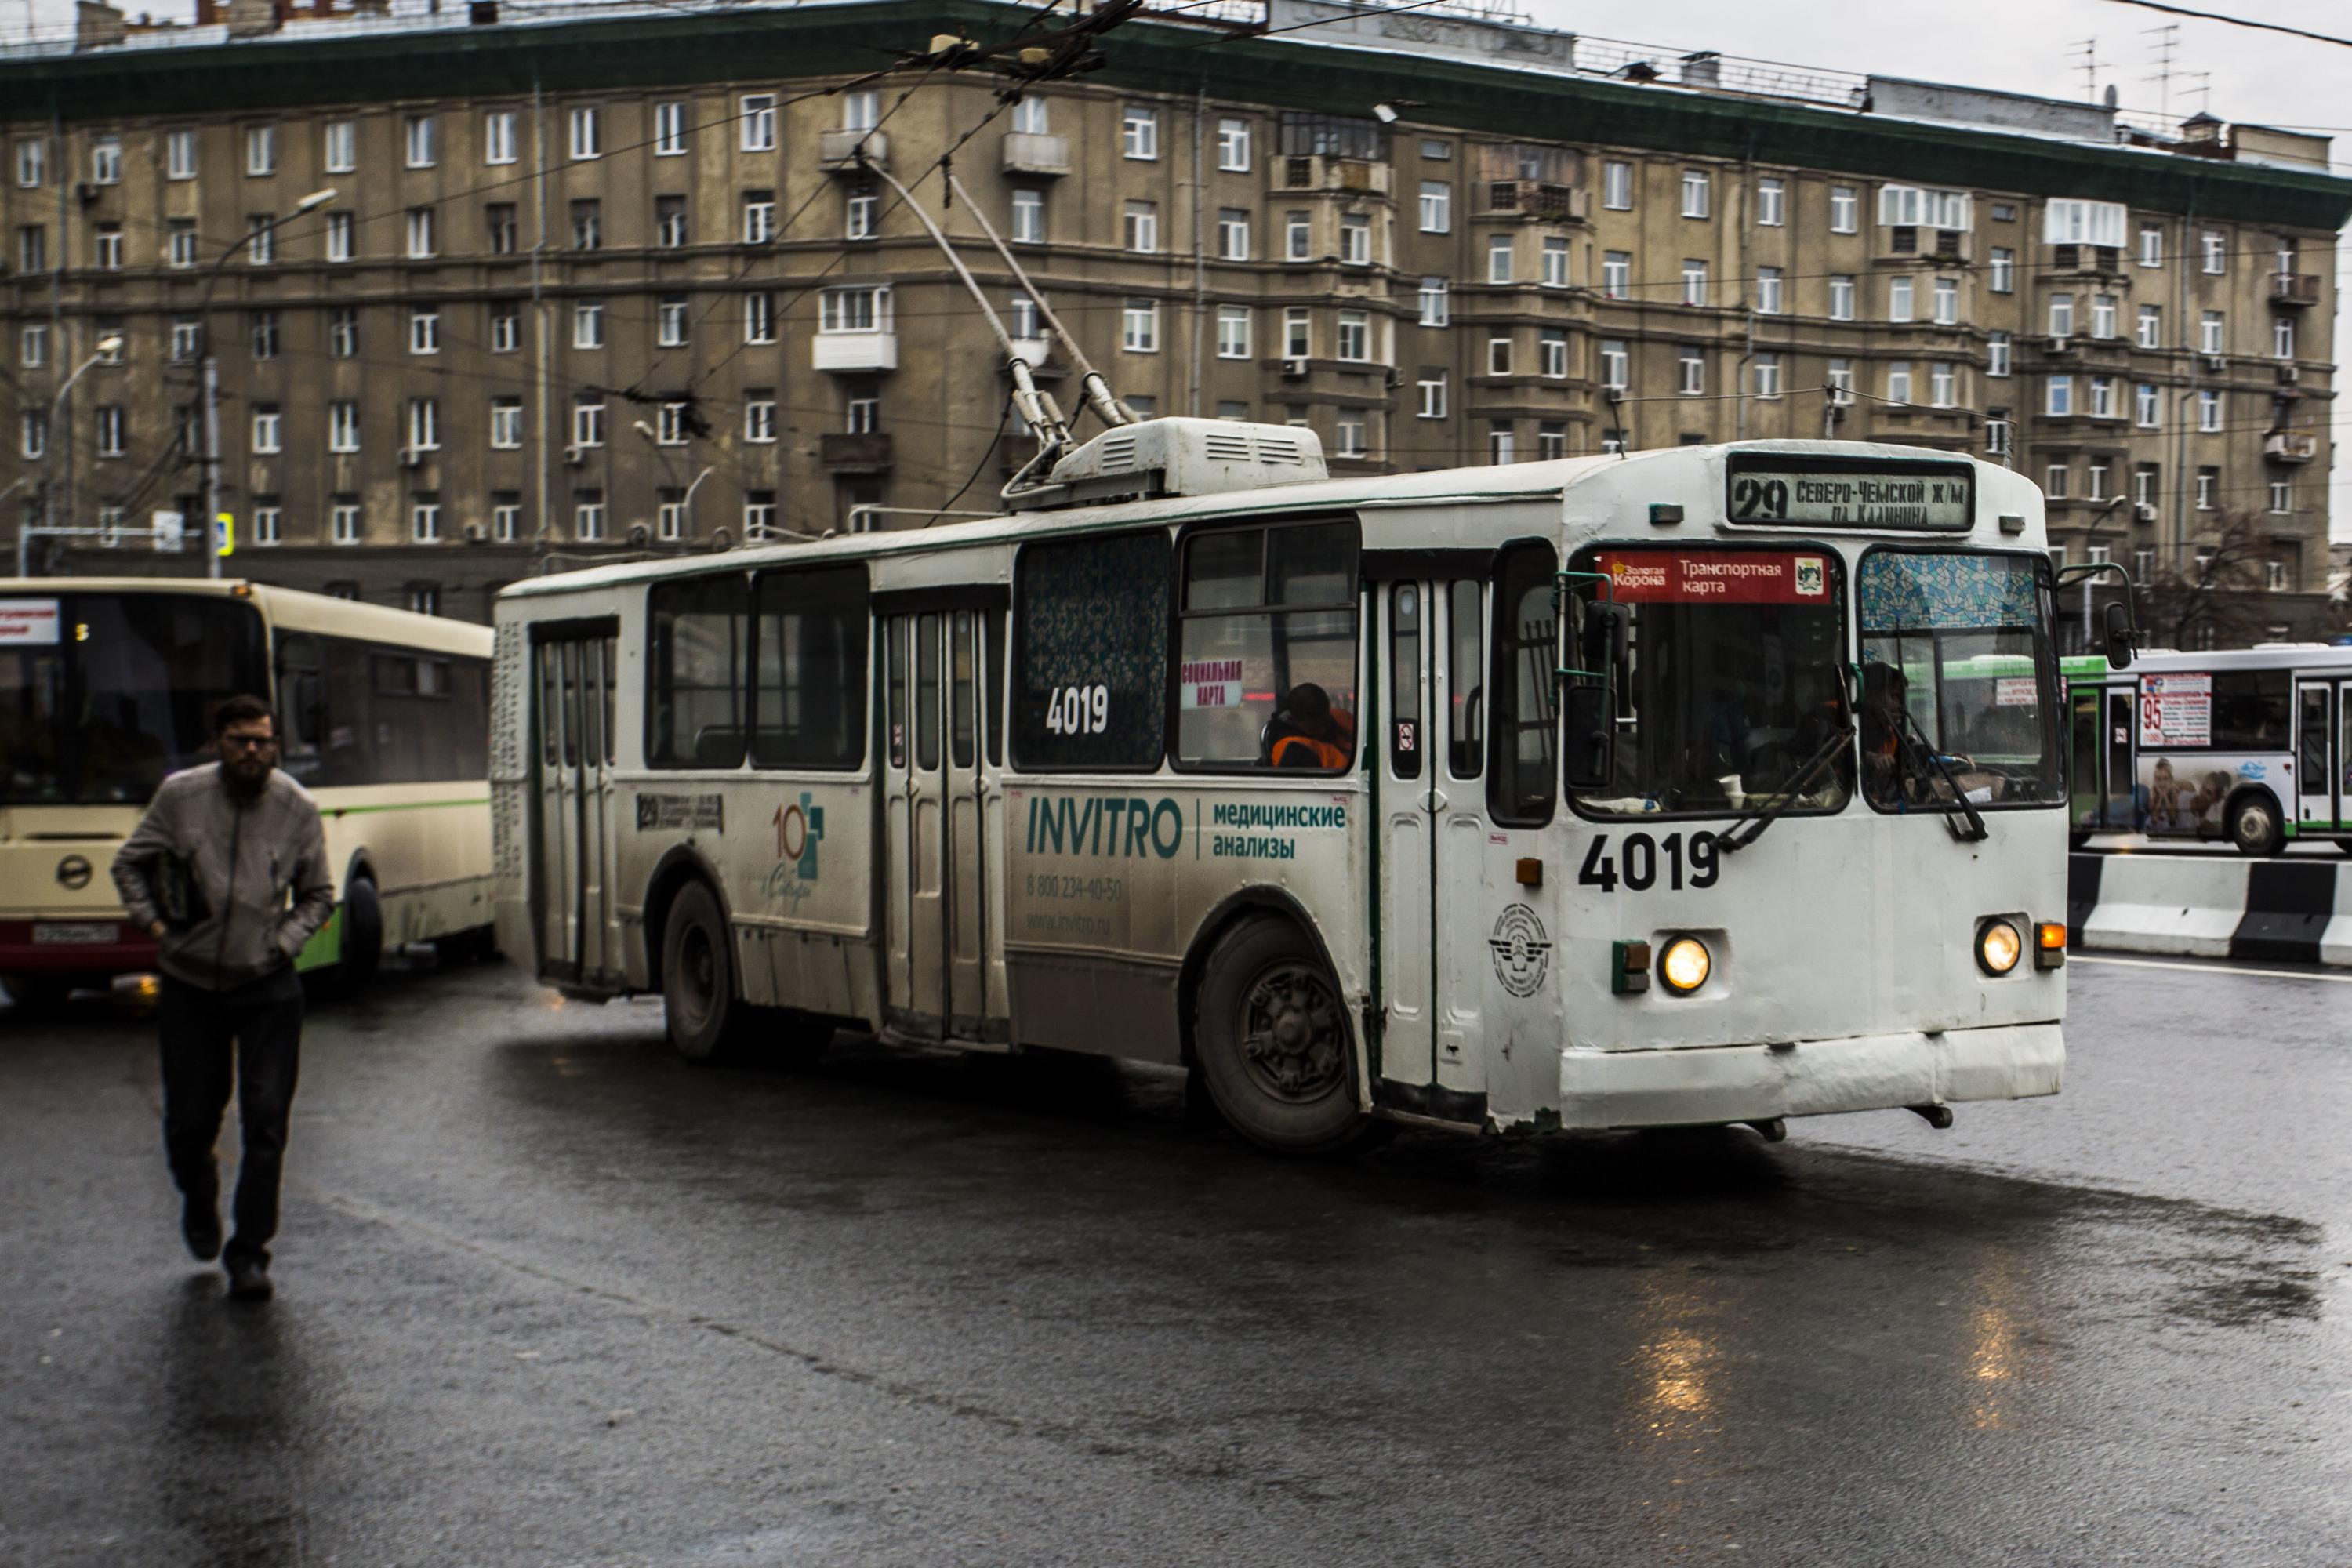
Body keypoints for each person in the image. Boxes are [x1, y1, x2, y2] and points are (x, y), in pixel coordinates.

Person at [111, 695, 334, 1302]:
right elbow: (129, 865)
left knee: (266, 1123)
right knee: (190, 1122)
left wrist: (282, 946)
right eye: (240, 740)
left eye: (264, 741)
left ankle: (250, 1254)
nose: (254, 752)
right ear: (218, 743)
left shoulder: (296, 806)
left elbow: (319, 895)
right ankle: (199, 1196)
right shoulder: (180, 797)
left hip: (267, 986)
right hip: (189, 984)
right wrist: (158, 930)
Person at [1263, 682, 1356, 769]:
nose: (1323, 730)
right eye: (1313, 728)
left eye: (1326, 722)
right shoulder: (1294, 751)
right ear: (1293, 720)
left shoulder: (1342, 718)